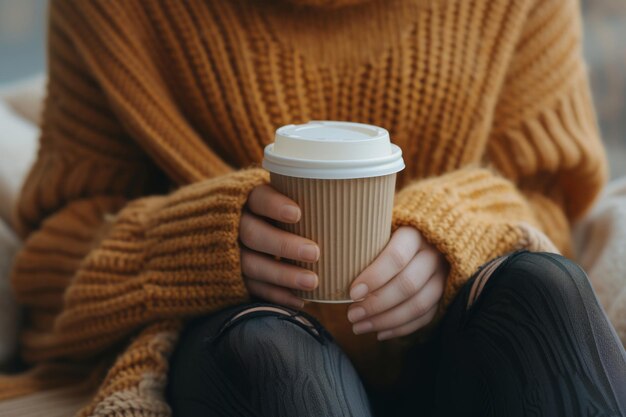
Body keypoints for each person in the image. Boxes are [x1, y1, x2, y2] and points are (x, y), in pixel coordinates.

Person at [0, 0, 624, 416]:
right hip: (241, 345)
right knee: (271, 358)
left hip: (457, 341)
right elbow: (54, 271)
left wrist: (457, 229)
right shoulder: (114, 13)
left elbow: (546, 207)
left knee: (545, 289)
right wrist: (195, 241)